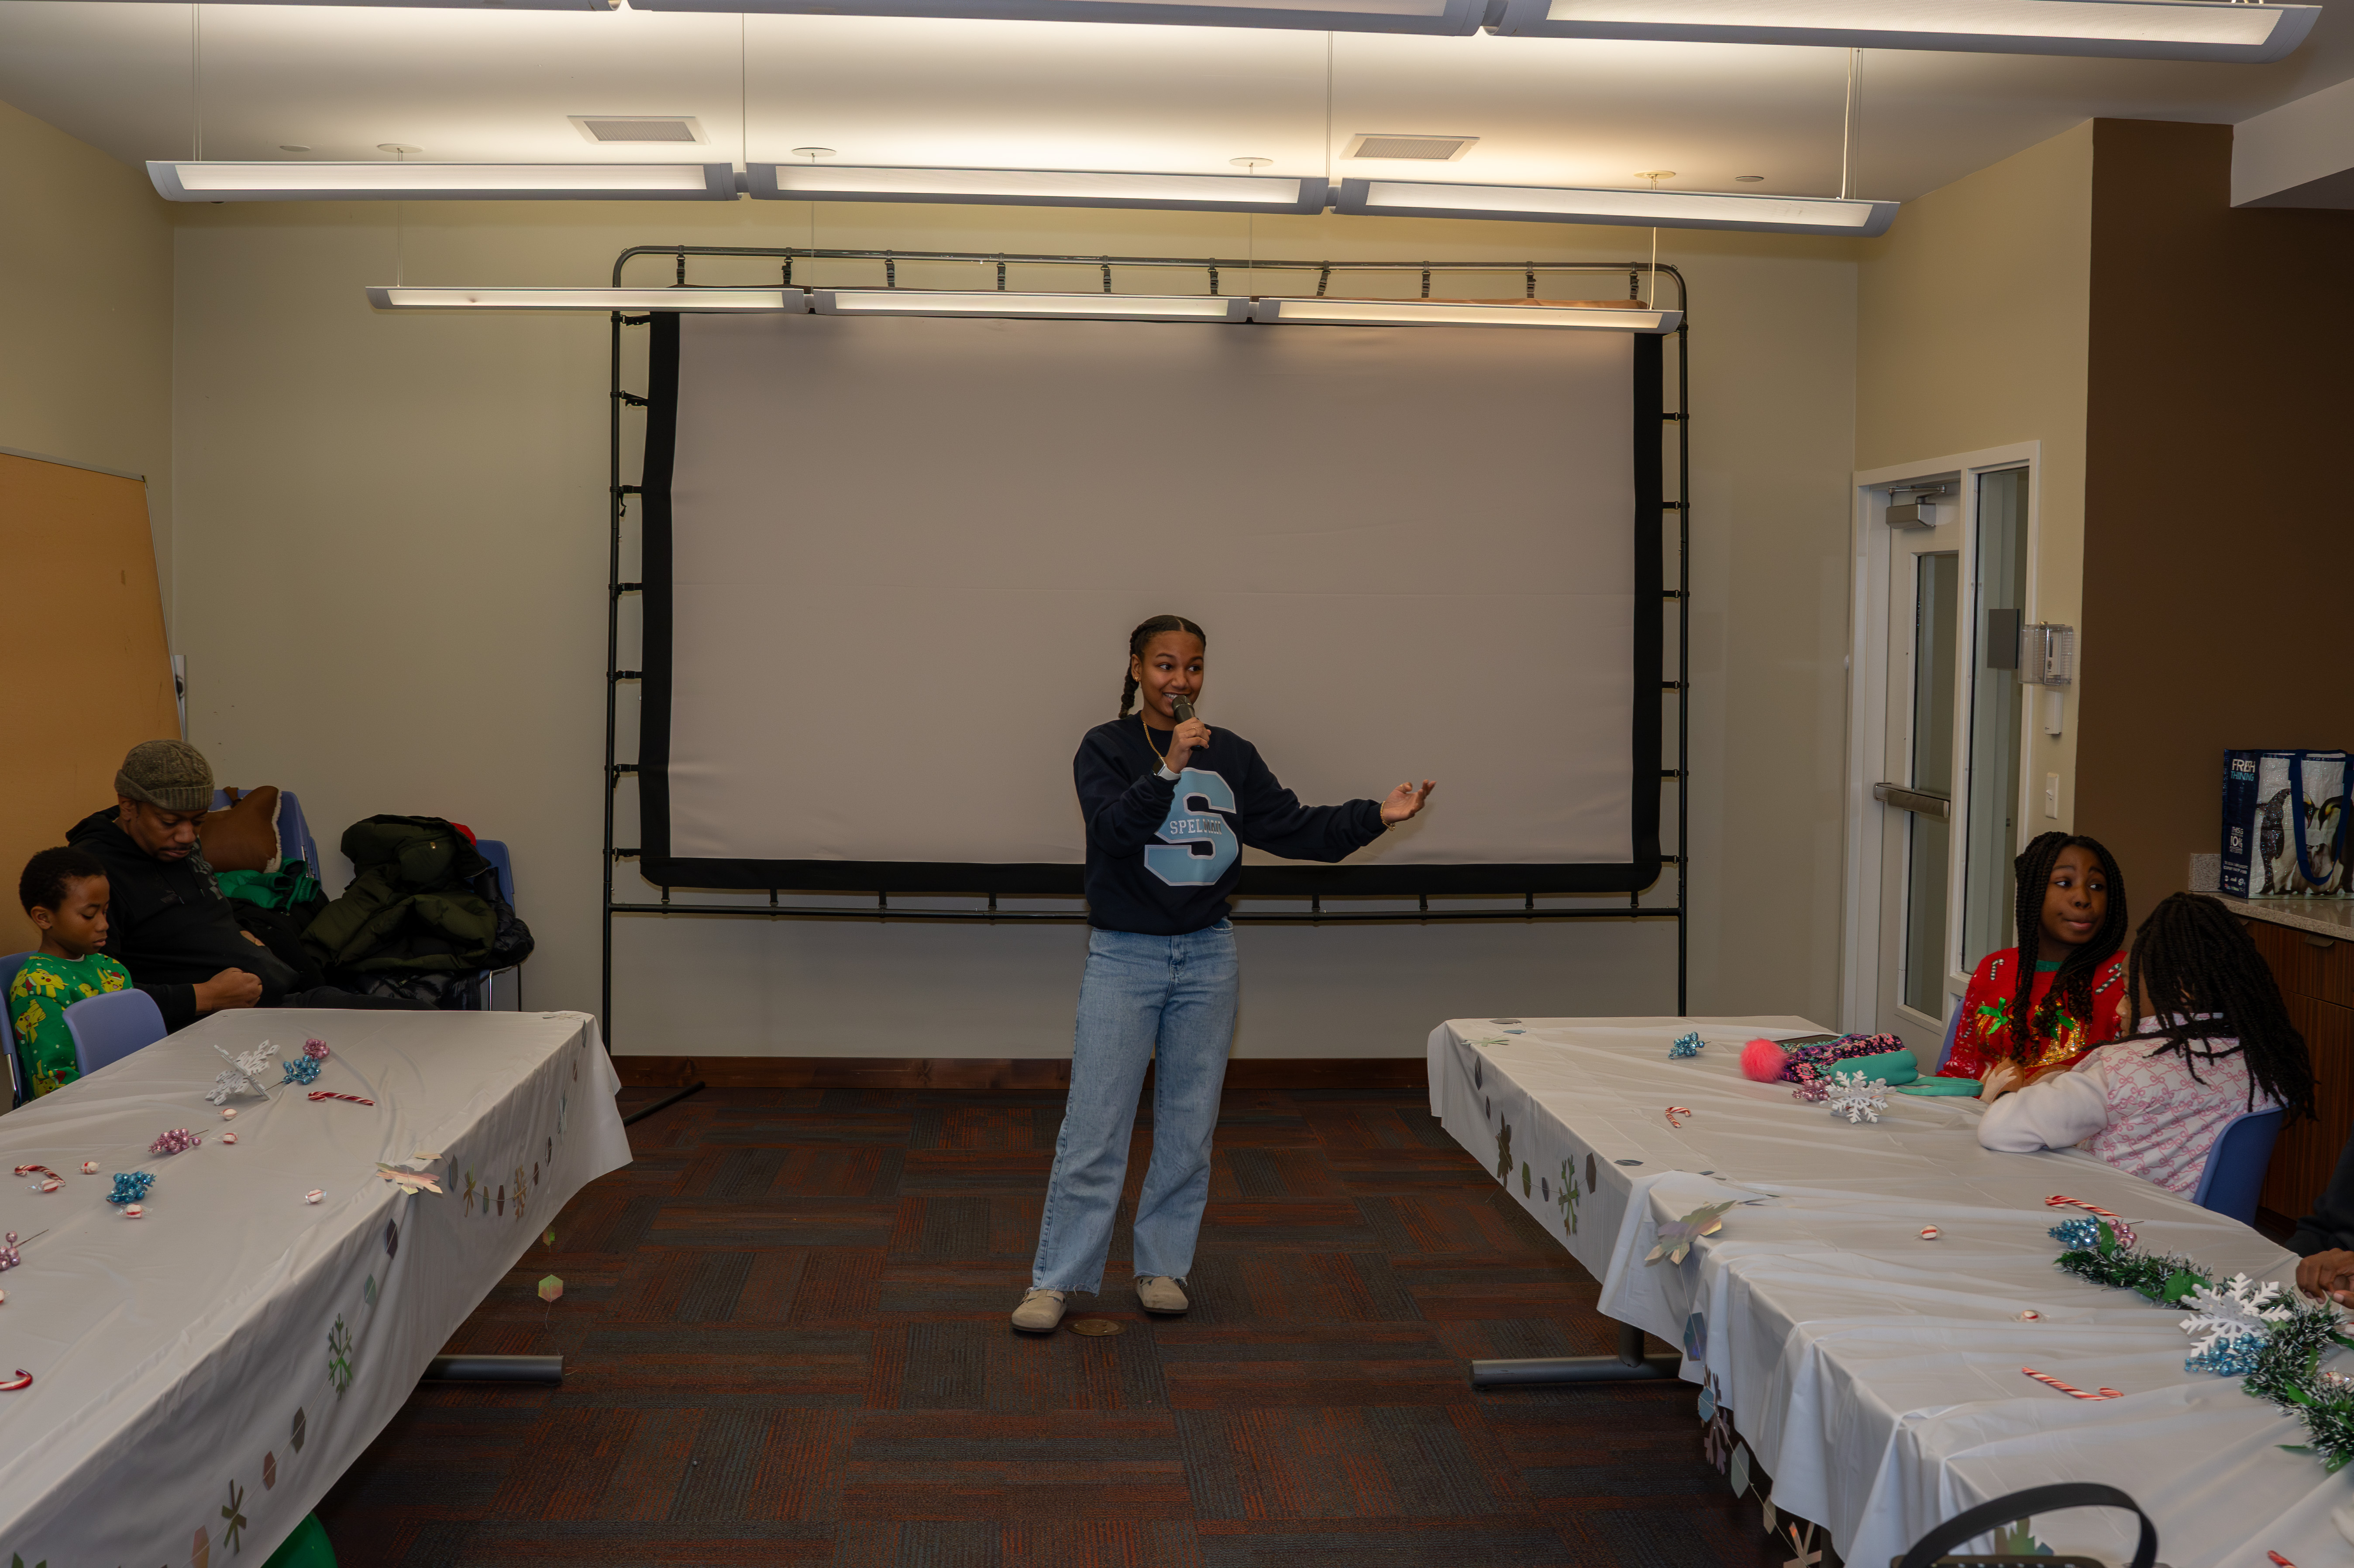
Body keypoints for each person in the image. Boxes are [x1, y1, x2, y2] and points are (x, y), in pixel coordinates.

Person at [1011, 615, 1436, 1333]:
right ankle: (1056, 1279)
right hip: (1126, 953)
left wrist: (1378, 817)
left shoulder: (1232, 755)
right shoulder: (1106, 748)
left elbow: (1295, 826)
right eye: (1165, 666)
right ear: (1137, 670)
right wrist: (1169, 767)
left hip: (1208, 952)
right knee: (1094, 1127)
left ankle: (1163, 1267)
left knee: (1187, 1124)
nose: (1181, 681)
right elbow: (1114, 832)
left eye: (1194, 667)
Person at [65, 739, 424, 1030]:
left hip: (280, 1002)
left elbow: (187, 917)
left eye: (199, 822)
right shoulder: (94, 876)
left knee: (431, 1024)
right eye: (170, 822)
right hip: (211, 1028)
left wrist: (238, 930)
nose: (187, 836)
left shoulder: (174, 846)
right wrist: (204, 996)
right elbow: (98, 996)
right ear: (128, 806)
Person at [1977, 892, 2313, 1196]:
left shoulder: (2124, 1068)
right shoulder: (2267, 1060)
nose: (2121, 1009)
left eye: (2128, 992)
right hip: (2212, 1238)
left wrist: (2007, 1094)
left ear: (2181, 989)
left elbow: (1999, 1130)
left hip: (2116, 1238)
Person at [1937, 832, 2130, 1089]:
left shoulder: (2125, 976)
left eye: (2097, 886)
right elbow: (1960, 1071)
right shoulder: (1994, 969)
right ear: (2032, 891)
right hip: (1977, 1118)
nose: (2083, 898)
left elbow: (2130, 1085)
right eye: (2064, 883)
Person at [9, 847, 139, 1097]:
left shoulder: (112, 969)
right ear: (44, 918)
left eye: (105, 911)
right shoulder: (36, 987)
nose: (104, 925)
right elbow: (55, 1087)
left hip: (129, 1092)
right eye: (89, 915)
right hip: (82, 1110)